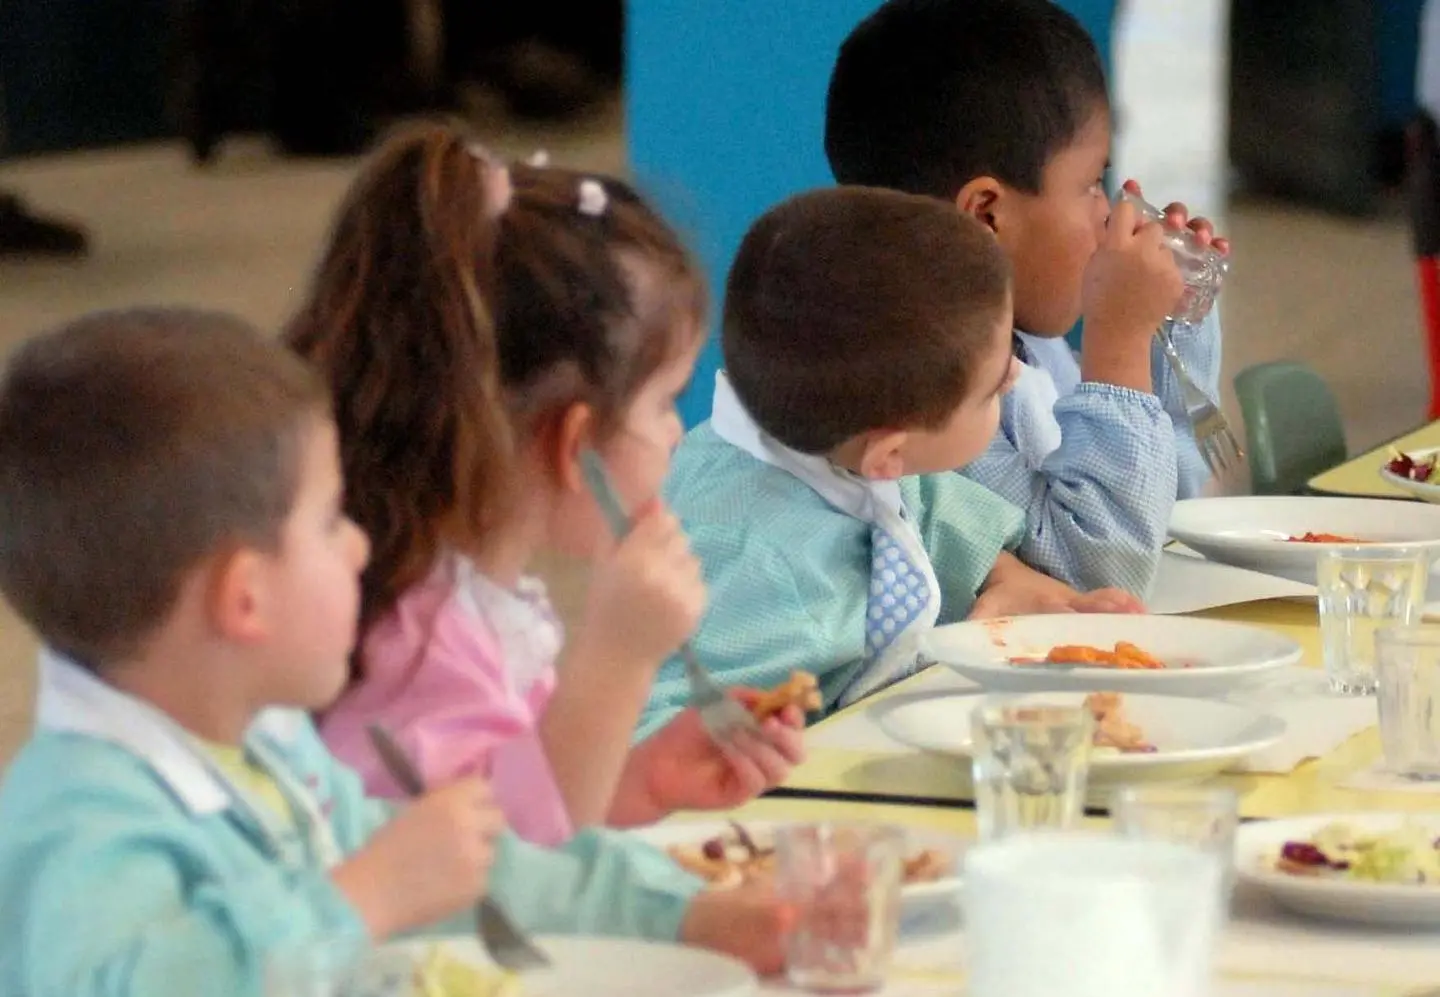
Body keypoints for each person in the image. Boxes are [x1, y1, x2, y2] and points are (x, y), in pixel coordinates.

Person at [0, 309, 786, 995]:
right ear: (243, 598)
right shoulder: (74, 824)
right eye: (329, 520)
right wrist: (364, 896)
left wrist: (685, 915)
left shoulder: (265, 744)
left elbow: (482, 867)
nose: (358, 545)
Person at [288, 123, 804, 848]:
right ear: (572, 441)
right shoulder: (415, 644)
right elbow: (503, 872)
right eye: (663, 403)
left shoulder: (464, 600)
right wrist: (619, 658)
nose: (674, 435)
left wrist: (637, 780)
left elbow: (514, 788)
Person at [637, 187, 1142, 736]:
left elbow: (930, 511)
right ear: (890, 453)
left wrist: (1012, 579)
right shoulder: (769, 577)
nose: (1017, 378)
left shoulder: (824, 443)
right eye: (995, 388)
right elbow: (650, 731)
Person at [824, 0, 1231, 597]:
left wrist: (1168, 320)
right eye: (1092, 184)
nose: (1110, 212)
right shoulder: (922, 402)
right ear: (987, 215)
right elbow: (1100, 575)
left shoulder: (1029, 350)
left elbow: (1160, 513)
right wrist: (1117, 347)